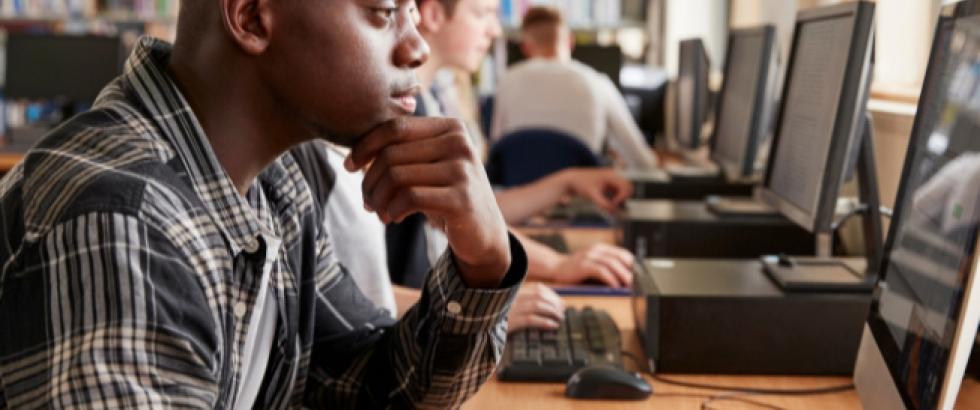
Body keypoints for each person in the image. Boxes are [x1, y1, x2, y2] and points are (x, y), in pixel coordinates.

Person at [0, 0, 527, 408]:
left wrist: (483, 261)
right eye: (384, 13)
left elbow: (379, 387)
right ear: (252, 17)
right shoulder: (121, 223)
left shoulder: (273, 188)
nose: (416, 49)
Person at [391, 0, 636, 295]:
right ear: (431, 14)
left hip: (434, 293)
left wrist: (567, 182)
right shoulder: (406, 114)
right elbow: (467, 218)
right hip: (423, 305)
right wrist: (558, 266)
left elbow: (476, 211)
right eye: (482, 14)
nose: (495, 30)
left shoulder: (426, 103)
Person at [293, 140, 564, 330]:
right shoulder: (305, 167)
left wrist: (475, 310)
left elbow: (367, 305)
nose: (417, 54)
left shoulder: (344, 150)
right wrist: (473, 312)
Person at [492, 6, 659, 170]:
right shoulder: (598, 82)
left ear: (525, 48)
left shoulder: (506, 81)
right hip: (582, 195)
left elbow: (496, 149)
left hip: (520, 194)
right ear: (570, 41)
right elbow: (642, 161)